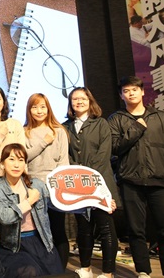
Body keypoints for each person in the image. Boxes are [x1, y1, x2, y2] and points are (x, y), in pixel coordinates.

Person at [108, 76, 164, 278]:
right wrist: (137, 128)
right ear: (121, 95)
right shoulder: (116, 119)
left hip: (161, 181)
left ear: (142, 92)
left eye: (134, 89)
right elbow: (114, 148)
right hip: (130, 182)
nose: (131, 93)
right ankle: (143, 271)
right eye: (126, 91)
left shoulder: (161, 118)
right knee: (136, 230)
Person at [64, 87, 119, 278]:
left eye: (83, 98)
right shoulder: (65, 127)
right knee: (83, 229)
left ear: (90, 101)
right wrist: (78, 176)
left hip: (100, 184)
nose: (79, 102)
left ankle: (108, 272)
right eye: (75, 99)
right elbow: (66, 156)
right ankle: (85, 268)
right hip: (77, 186)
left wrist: (88, 176)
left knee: (106, 228)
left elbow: (103, 155)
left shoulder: (101, 123)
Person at [0, 143, 63, 278]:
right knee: (29, 271)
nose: (16, 165)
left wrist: (91, 203)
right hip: (13, 246)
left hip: (41, 241)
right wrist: (29, 201)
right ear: (2, 164)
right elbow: (5, 217)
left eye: (21, 160)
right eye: (11, 159)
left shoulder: (37, 185)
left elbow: (57, 204)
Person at [22, 93, 70, 269]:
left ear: (48, 109)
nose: (39, 111)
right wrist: (43, 142)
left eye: (43, 107)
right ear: (29, 110)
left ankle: (61, 270)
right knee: (37, 231)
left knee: (57, 229)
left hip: (55, 186)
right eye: (34, 107)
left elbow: (63, 161)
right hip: (32, 187)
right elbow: (23, 157)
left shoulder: (59, 131)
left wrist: (59, 186)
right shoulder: (24, 132)